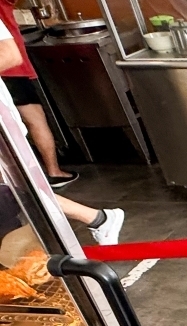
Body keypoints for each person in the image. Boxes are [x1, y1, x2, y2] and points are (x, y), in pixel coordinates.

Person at [0, 18, 123, 244]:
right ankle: (98, 219)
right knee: (12, 189)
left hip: (3, 126)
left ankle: (98, 219)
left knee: (13, 188)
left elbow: (10, 53)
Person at [0, 0, 78, 188]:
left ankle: (21, 180)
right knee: (35, 119)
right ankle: (53, 172)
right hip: (13, 70)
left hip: (7, 68)